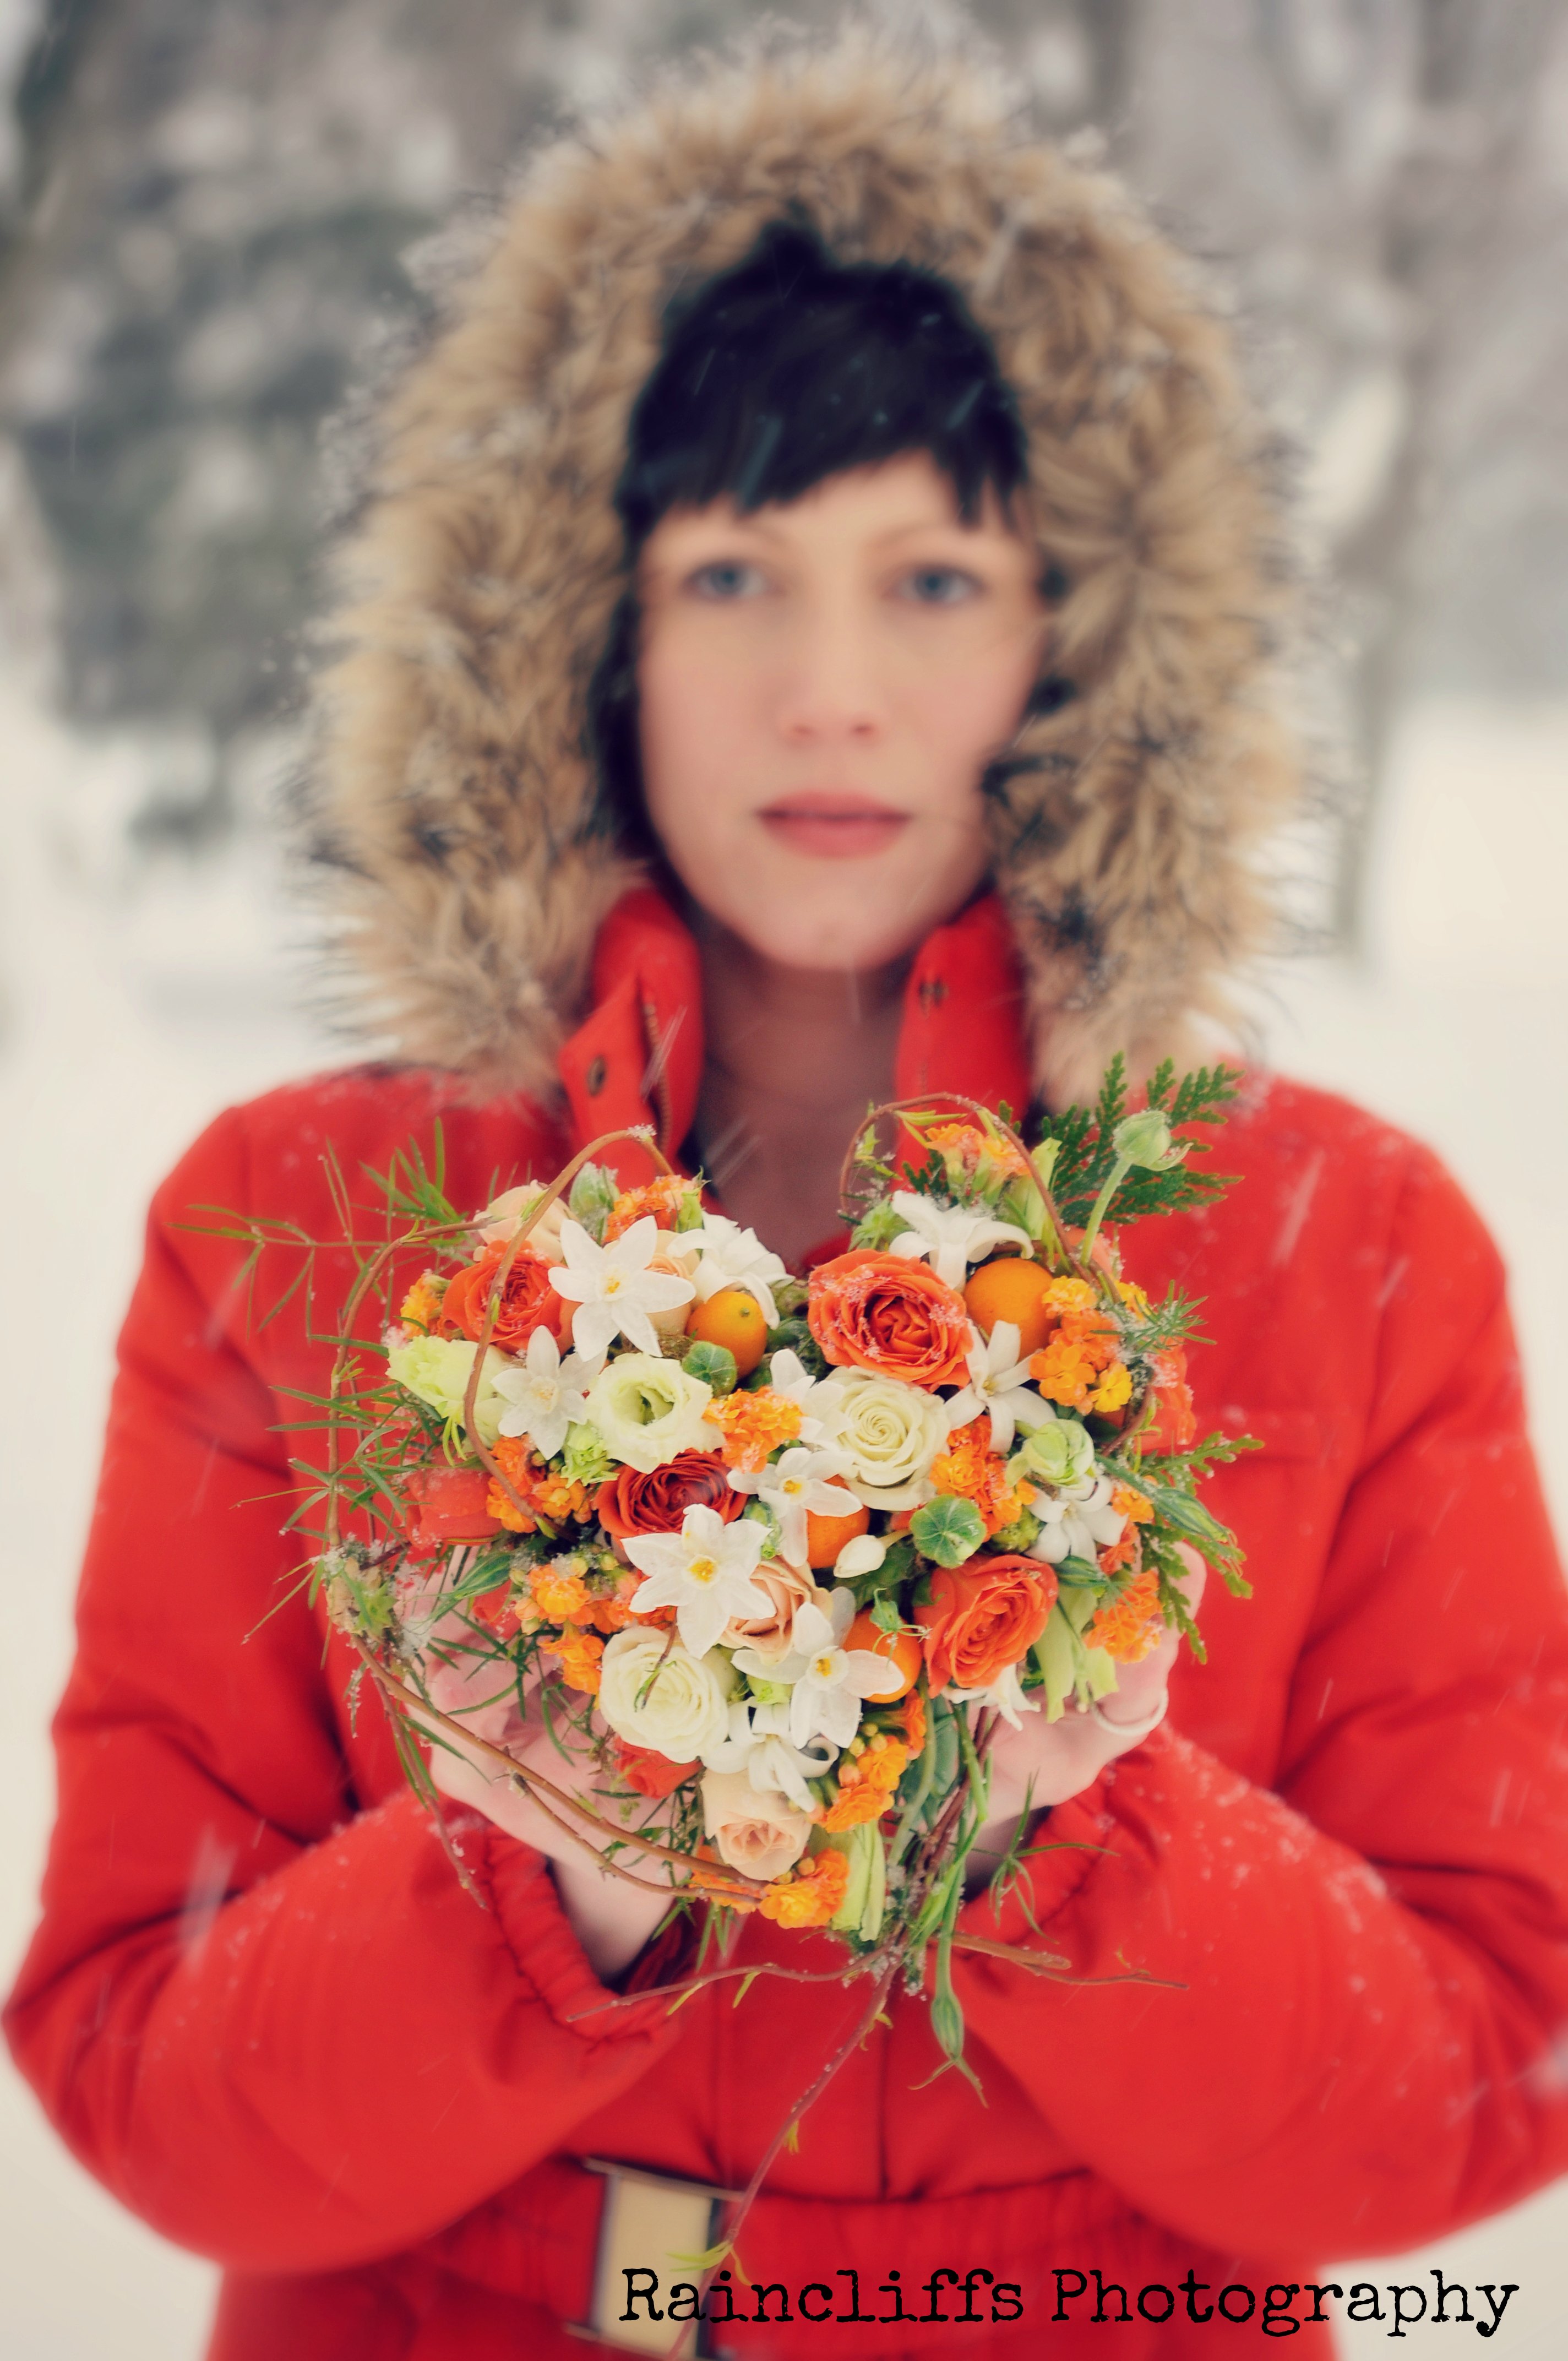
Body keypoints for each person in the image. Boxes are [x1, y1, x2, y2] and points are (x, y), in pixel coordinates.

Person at [7, 27, 1567, 2360]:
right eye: (732, 572)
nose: (830, 691)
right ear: (587, 632)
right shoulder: (298, 1222)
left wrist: (1078, 1835)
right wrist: (532, 1873)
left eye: (931, 576)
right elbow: (152, 2083)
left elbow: (1474, 2080)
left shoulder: (1339, 1248)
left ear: (1078, 639)